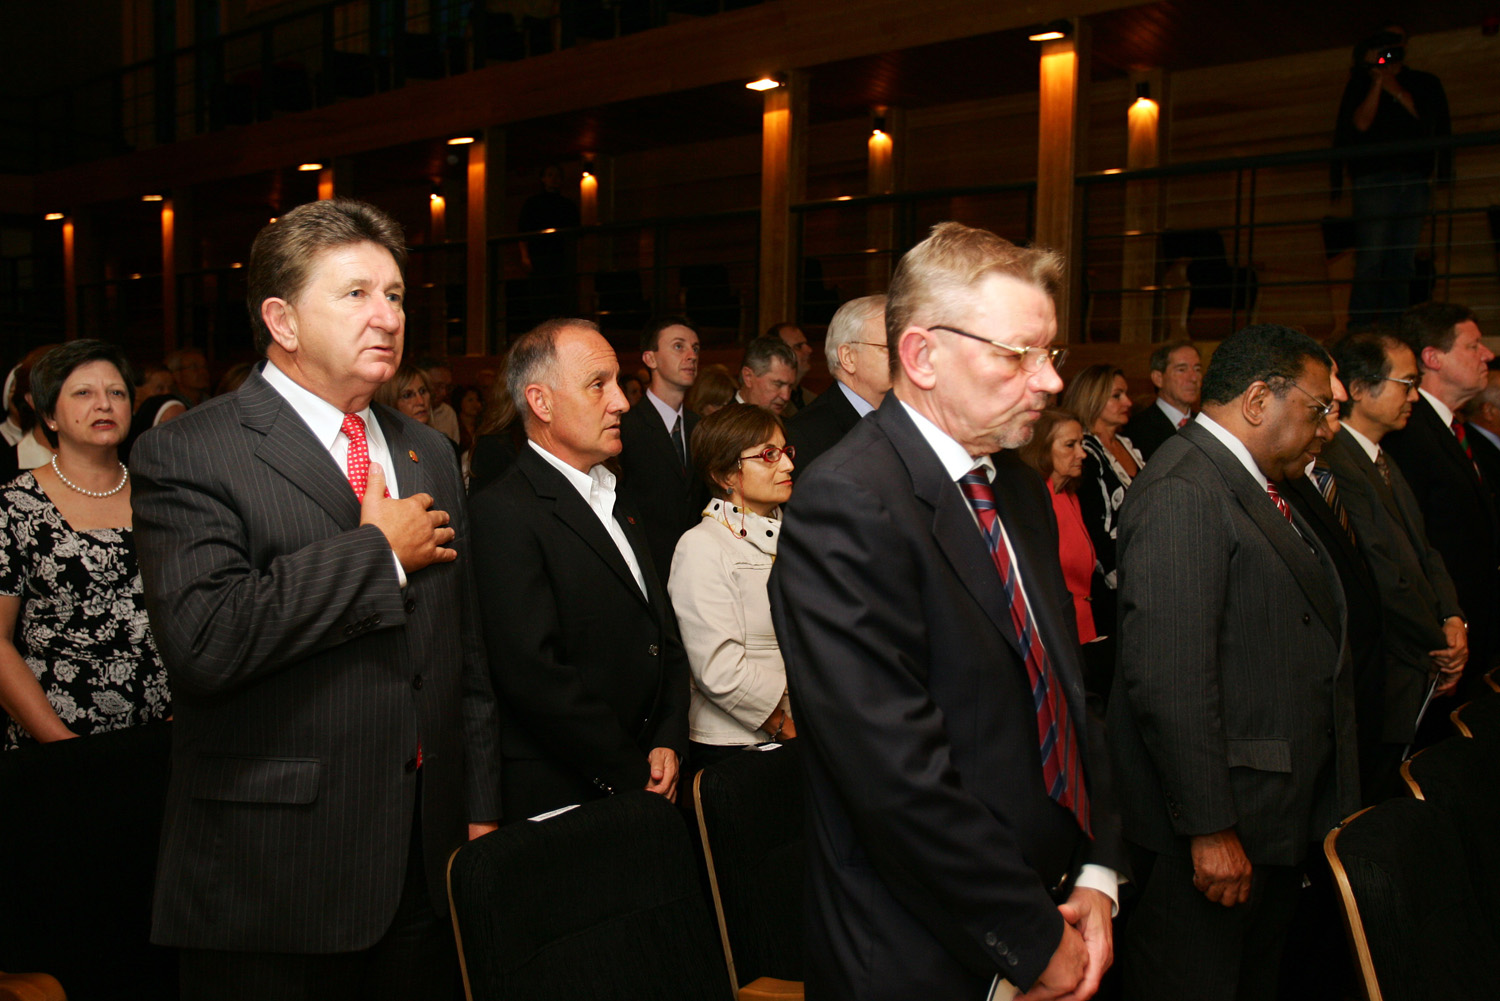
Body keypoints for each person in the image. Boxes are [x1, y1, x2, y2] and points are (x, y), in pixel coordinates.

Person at [130, 198, 500, 999]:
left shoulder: (427, 449)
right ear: (283, 320)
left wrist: (478, 804)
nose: (386, 316)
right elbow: (204, 640)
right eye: (356, 294)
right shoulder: (192, 449)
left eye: (396, 295)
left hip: (421, 857)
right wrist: (376, 555)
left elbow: (460, 651)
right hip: (278, 869)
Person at [770, 222, 1125, 1001]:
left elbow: (1069, 698)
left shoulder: (1017, 487)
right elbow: (899, 781)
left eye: (1051, 354)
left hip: (1056, 900)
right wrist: (1036, 944)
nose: (1051, 382)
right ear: (923, 354)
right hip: (922, 954)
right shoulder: (848, 502)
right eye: (1017, 355)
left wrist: (1098, 870)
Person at [1109, 324, 1359, 1001]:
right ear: (1257, 399)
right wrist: (1209, 828)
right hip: (1218, 829)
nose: (1327, 428)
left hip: (1265, 818)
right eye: (1317, 407)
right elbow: (1170, 678)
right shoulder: (1186, 489)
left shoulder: (1246, 481)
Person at [469, 319, 689, 823]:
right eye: (598, 385)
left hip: (648, 777)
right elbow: (534, 677)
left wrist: (668, 742)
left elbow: (664, 636)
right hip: (567, 796)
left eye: (617, 381)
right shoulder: (502, 512)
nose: (622, 402)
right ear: (541, 403)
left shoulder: (617, 498)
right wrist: (634, 771)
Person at [0, 340, 170, 750]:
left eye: (116, 393)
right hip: (59, 737)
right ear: (48, 415)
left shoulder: (164, 495)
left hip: (171, 729)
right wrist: (60, 741)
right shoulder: (14, 507)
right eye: (83, 393)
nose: (104, 405)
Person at [1324, 331, 1465, 785]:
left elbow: (1424, 551)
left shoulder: (1382, 457)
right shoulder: (1335, 460)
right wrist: (1439, 644)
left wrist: (1453, 617)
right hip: (1389, 672)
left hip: (1417, 660)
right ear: (1361, 390)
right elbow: (1383, 573)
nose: (1415, 396)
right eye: (1406, 383)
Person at [668, 404, 795, 772]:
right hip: (739, 749)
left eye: (785, 452)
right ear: (725, 472)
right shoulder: (701, 546)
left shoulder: (798, 534)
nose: (786, 465)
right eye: (769, 455)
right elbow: (718, 670)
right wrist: (787, 728)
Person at [1382, 301, 1498, 700]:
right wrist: (1440, 632)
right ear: (1432, 358)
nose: (1488, 355)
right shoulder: (1407, 433)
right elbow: (1412, 548)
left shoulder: (1454, 431)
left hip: (1473, 633)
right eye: (1473, 346)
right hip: (1442, 644)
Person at [1333, 28, 1451, 325]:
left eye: (1396, 44)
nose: (1391, 50)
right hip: (1374, 179)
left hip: (1413, 180)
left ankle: (1394, 327)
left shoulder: (1423, 83)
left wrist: (1394, 86)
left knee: (1402, 262)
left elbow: (1429, 123)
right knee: (1371, 259)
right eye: (1384, 45)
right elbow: (1359, 124)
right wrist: (1376, 80)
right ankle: (1358, 327)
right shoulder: (1362, 83)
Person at [617, 316, 707, 583]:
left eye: (696, 348)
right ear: (650, 359)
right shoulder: (625, 428)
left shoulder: (700, 427)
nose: (691, 355)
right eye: (679, 347)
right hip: (647, 570)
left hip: (697, 568)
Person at [1061, 364, 1144, 638]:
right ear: (1092, 398)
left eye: (1126, 394)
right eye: (1117, 396)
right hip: (1110, 587)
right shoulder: (1083, 451)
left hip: (1144, 570)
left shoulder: (1127, 444)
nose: (1128, 403)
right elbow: (1091, 525)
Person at [785, 294, 890, 478]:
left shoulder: (907, 418)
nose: (906, 357)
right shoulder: (803, 436)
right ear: (848, 357)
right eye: (890, 347)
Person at [1016, 408, 1097, 646]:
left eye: (1081, 443)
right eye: (1070, 445)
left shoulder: (1069, 494)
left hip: (1084, 626)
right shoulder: (1033, 502)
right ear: (1042, 448)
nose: (1082, 453)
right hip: (1055, 634)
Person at [1121, 340, 1202, 460]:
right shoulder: (1137, 430)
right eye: (1182, 370)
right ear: (1158, 378)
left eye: (1197, 369)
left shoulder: (1205, 425)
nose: (1194, 378)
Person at [737, 336, 797, 415]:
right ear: (748, 377)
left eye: (790, 387)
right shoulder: (723, 423)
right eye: (778, 384)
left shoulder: (787, 424)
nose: (786, 396)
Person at [769, 321, 818, 415]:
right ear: (779, 352)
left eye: (806, 344)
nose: (809, 350)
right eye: (798, 346)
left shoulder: (812, 399)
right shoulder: (771, 401)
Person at [418, 358, 461, 445]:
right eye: (437, 386)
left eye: (448, 387)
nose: (444, 393)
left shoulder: (448, 413)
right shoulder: (408, 409)